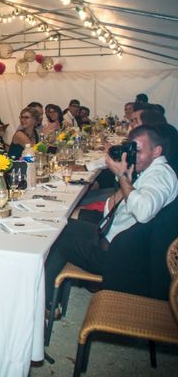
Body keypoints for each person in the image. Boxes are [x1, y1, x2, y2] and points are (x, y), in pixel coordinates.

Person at [44, 125, 178, 307]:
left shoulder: (160, 175)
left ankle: (47, 303)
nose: (133, 156)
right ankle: (53, 297)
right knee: (61, 225)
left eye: (138, 151)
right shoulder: (150, 169)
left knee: (56, 240)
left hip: (121, 258)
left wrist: (122, 176)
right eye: (131, 150)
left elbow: (144, 212)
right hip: (114, 237)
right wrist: (126, 178)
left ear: (156, 151)